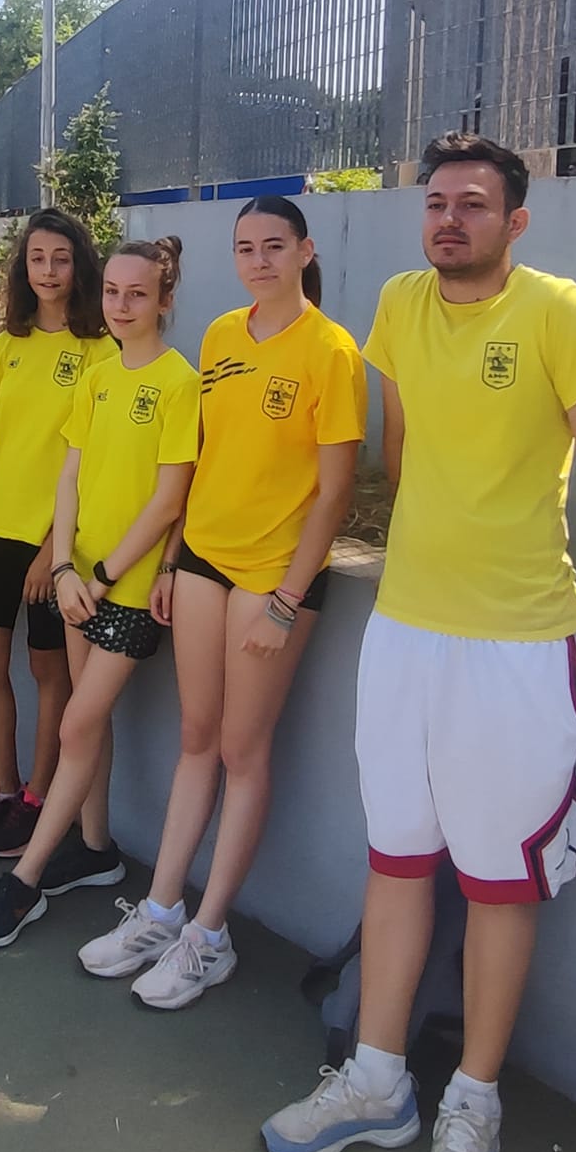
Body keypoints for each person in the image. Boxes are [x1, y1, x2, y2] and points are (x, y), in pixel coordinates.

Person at [261, 134, 576, 1152]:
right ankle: (376, 1082)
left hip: (519, 648)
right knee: (396, 861)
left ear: (514, 221)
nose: (449, 219)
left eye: (472, 204)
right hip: (404, 632)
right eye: (436, 202)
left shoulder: (558, 312)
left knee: (498, 885)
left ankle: (473, 1101)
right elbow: (401, 451)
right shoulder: (399, 304)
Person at [83, 196, 365, 1009]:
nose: (259, 260)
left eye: (275, 246)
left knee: (243, 751)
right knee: (196, 738)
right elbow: (204, 459)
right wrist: (172, 561)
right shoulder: (219, 336)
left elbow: (335, 492)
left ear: (305, 251)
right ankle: (160, 912)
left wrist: (286, 601)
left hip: (273, 576)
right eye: (245, 248)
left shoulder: (332, 351)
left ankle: (210, 937)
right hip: (202, 560)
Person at [0, 239, 198, 948]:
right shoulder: (97, 377)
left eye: (138, 294)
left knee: (75, 724)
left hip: (124, 592)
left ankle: (24, 880)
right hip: (78, 583)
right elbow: (70, 476)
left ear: (164, 300)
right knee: (89, 725)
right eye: (114, 292)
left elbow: (168, 501)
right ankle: (96, 848)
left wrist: (99, 577)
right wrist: (64, 566)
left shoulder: (180, 382)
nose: (121, 305)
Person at [0, 209, 114, 857]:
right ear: (23, 267)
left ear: (80, 267)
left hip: (58, 544)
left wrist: (55, 551)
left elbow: (97, 464)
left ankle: (40, 799)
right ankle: (5, 789)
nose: (48, 270)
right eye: (37, 258)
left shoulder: (101, 350)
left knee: (50, 672)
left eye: (61, 258)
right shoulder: (6, 346)